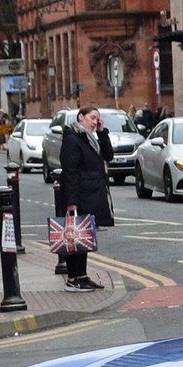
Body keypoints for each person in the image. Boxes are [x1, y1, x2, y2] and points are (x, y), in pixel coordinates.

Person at [50, 106, 116, 290]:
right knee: (74, 236)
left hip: (91, 193)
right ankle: (72, 279)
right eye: (92, 118)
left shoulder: (88, 138)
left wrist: (102, 132)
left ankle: (82, 275)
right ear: (81, 117)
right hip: (80, 195)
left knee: (84, 236)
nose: (95, 122)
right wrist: (71, 202)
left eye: (97, 119)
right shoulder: (72, 139)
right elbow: (70, 172)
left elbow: (108, 155)